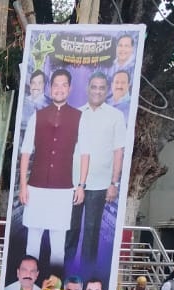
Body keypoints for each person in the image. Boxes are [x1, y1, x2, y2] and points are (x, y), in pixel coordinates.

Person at [17, 68, 82, 268]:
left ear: (69, 88)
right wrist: (23, 185)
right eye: (56, 85)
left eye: (64, 85)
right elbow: (26, 152)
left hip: (63, 189)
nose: (59, 89)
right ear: (50, 88)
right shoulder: (38, 116)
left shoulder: (79, 117)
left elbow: (83, 153)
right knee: (33, 241)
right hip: (36, 187)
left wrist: (80, 185)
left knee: (58, 244)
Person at [72, 71, 127, 271]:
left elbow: (118, 151)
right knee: (70, 229)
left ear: (107, 91)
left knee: (91, 231)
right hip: (74, 182)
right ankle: (65, 271)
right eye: (93, 87)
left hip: (101, 184)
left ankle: (87, 272)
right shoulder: (76, 114)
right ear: (88, 88)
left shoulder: (115, 116)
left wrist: (114, 183)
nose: (97, 91)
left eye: (101, 87)